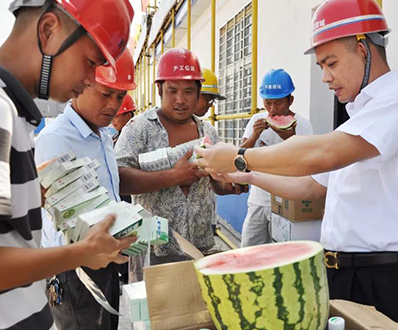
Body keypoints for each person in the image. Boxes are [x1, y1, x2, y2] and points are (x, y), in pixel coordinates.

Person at [195, 0, 398, 329]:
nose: (325, 77)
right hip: (341, 276)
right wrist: (246, 174)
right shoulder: (358, 122)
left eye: (331, 63)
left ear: (363, 48)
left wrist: (239, 155)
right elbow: (310, 187)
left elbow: (318, 155)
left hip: (385, 279)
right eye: (321, 66)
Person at [0, 1, 135, 330]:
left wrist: (35, 197)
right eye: (89, 62)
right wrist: (82, 252)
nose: (89, 80)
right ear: (48, 31)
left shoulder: (18, 118)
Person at [114, 48, 246, 282]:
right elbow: (120, 180)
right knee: (155, 318)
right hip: (153, 256)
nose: (180, 100)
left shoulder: (208, 133)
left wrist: (230, 186)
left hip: (201, 249)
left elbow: (214, 183)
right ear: (159, 89)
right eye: (172, 91)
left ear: (198, 92)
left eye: (188, 91)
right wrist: (174, 176)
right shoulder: (138, 129)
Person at [35, 48, 136, 330]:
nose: (114, 105)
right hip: (73, 269)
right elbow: (61, 218)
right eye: (106, 94)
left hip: (104, 257)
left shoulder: (102, 134)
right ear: (81, 83)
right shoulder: (56, 139)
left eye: (120, 96)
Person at [240, 69, 313, 247]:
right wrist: (254, 136)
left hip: (288, 203)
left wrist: (288, 136)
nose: (272, 109)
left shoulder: (303, 125)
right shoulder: (256, 120)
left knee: (282, 253)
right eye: (268, 103)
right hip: (258, 201)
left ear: (290, 100)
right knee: (248, 250)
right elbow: (239, 156)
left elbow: (309, 162)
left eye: (278, 103)